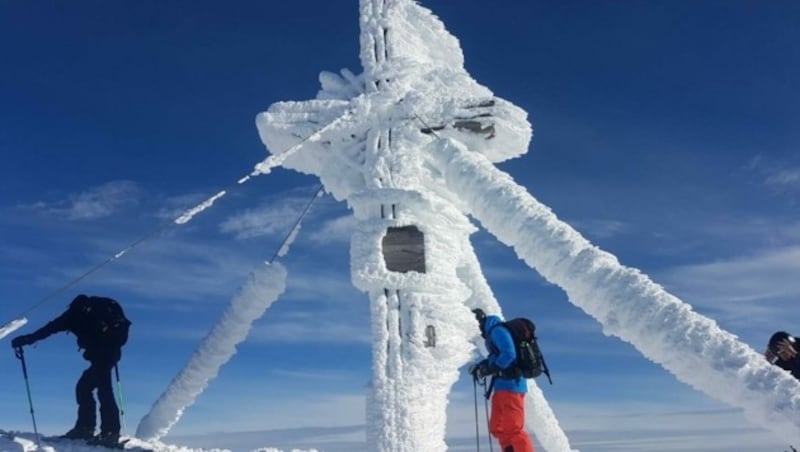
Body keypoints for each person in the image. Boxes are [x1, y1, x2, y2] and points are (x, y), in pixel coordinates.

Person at [11, 294, 129, 447]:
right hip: (109, 352)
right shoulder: (86, 313)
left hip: (105, 353)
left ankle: (108, 432)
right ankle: (88, 428)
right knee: (85, 387)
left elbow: (49, 329)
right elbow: (50, 328)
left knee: (102, 389)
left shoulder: (74, 316)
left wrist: (26, 340)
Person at [469, 308, 535, 452]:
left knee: (513, 429)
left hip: (512, 385)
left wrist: (492, 369)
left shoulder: (497, 331)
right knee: (498, 428)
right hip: (501, 387)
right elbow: (495, 357)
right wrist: (481, 366)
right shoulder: (491, 335)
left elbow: (509, 354)